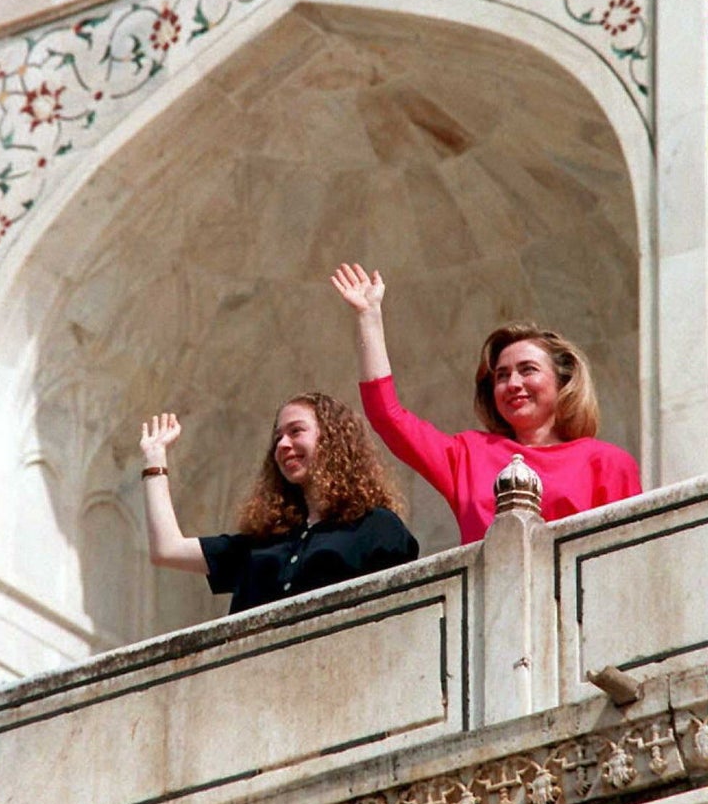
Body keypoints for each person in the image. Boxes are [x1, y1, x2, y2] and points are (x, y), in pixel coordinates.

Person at [331, 262, 642, 545]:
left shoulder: (608, 463)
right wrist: (368, 318)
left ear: (564, 381)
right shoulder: (469, 455)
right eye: (502, 376)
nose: (513, 384)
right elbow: (387, 415)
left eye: (528, 370)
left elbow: (630, 552)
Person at [140, 393, 419, 613]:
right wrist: (155, 459)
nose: (283, 444)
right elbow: (166, 549)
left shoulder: (376, 527)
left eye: (296, 431)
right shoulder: (263, 542)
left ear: (332, 439)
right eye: (277, 438)